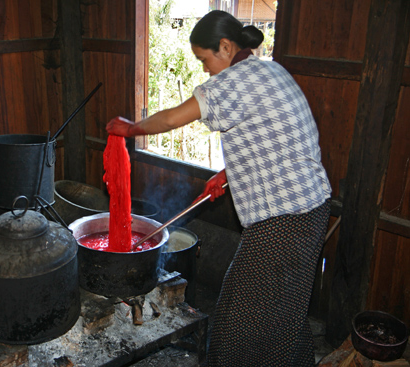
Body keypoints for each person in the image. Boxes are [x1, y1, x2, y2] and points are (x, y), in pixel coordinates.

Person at [106, 10, 332, 367]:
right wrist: (227, 173)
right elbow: (275, 138)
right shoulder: (269, 70)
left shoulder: (235, 80)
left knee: (235, 319)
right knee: (285, 311)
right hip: (311, 210)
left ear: (225, 47)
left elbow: (172, 118)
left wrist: (129, 128)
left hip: (282, 223)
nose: (205, 69)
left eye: (205, 59)